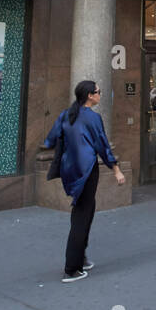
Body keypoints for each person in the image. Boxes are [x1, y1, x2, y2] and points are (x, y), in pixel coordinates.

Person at [53, 80, 126, 282]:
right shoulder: (92, 118)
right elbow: (102, 145)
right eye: (98, 92)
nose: (100, 94)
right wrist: (116, 169)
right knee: (82, 215)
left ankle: (81, 257)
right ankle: (72, 268)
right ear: (90, 96)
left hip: (70, 169)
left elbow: (53, 140)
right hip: (86, 170)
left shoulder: (65, 115)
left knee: (84, 210)